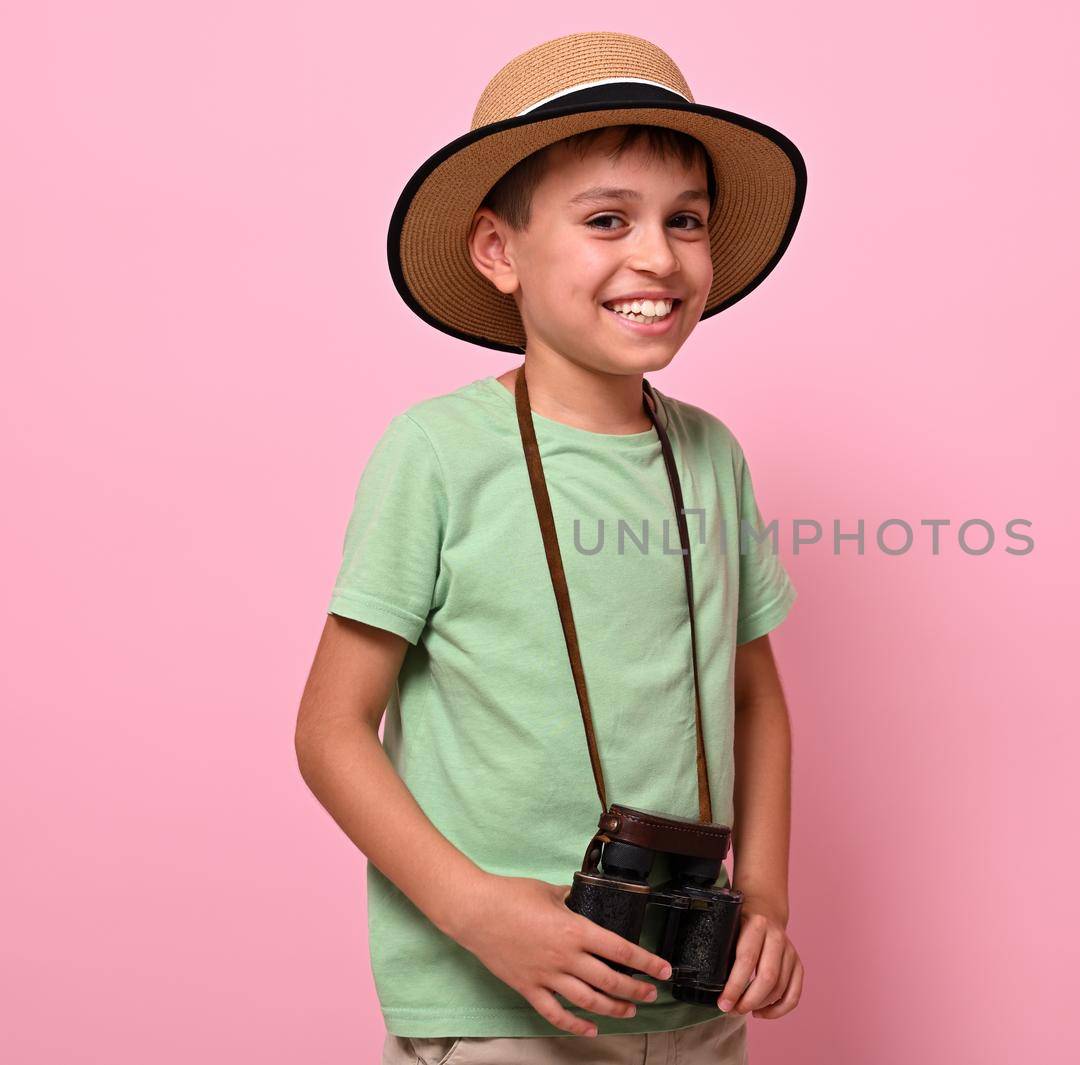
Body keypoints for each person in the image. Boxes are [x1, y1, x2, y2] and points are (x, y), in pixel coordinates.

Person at [294, 31, 809, 1064]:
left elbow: (754, 700)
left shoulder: (707, 454)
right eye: (606, 220)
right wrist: (474, 910)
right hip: (496, 1002)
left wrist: (761, 902)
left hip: (690, 993)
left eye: (686, 222)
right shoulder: (437, 454)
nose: (656, 256)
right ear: (498, 252)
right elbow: (332, 730)